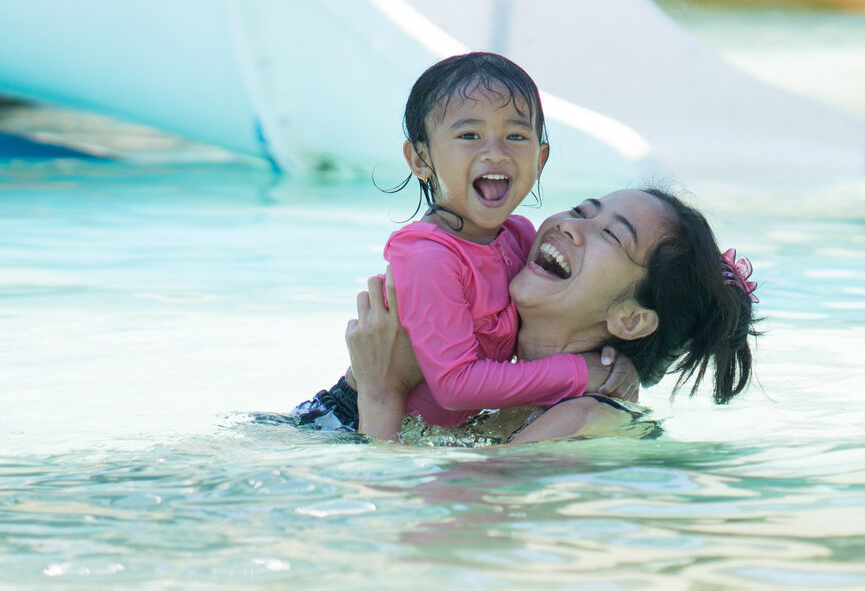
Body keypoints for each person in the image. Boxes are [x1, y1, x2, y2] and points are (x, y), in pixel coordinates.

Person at [292, 52, 633, 433]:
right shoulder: (428, 254)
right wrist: (580, 373)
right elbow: (456, 387)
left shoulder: (521, 237)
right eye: (469, 135)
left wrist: (614, 357)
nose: (495, 152)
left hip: (421, 433)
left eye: (516, 136)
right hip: (345, 422)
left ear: (540, 159)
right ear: (420, 159)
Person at [345, 187, 760, 443]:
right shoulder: (517, 401)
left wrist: (381, 394)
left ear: (630, 319)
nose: (570, 227)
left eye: (611, 235)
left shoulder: (582, 418)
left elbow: (407, 517)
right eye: (581, 211)